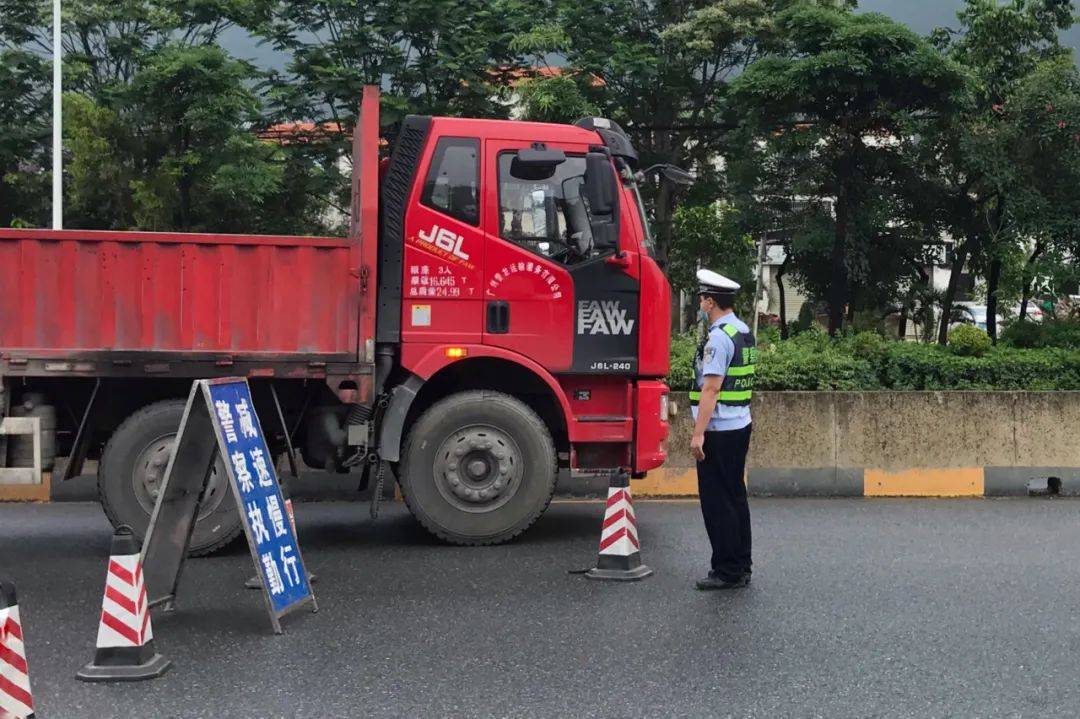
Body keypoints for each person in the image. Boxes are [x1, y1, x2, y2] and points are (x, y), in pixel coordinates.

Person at [689, 269, 756, 590]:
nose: (700, 302)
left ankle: (727, 570)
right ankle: (741, 563)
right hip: (740, 424)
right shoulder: (742, 330)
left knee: (718, 502)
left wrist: (698, 433)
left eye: (703, 297)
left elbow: (711, 389)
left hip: (719, 430)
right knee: (735, 497)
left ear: (711, 301)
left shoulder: (718, 337)